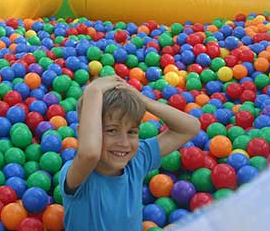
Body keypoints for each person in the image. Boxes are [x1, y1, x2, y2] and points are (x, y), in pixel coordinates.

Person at [59, 75, 201, 230]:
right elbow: (89, 153)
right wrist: (93, 91)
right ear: (83, 133)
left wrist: (143, 100)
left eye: (132, 132)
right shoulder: (78, 174)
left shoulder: (137, 159)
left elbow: (190, 127)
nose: (124, 143)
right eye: (112, 130)